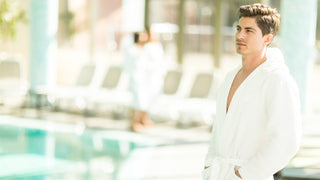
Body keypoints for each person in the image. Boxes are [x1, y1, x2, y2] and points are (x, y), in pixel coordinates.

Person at [203, 3, 301, 180]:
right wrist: (208, 165)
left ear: (267, 38)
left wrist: (243, 176)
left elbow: (286, 141)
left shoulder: (277, 80)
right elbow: (218, 129)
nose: (240, 35)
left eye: (249, 31)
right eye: (239, 28)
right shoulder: (230, 77)